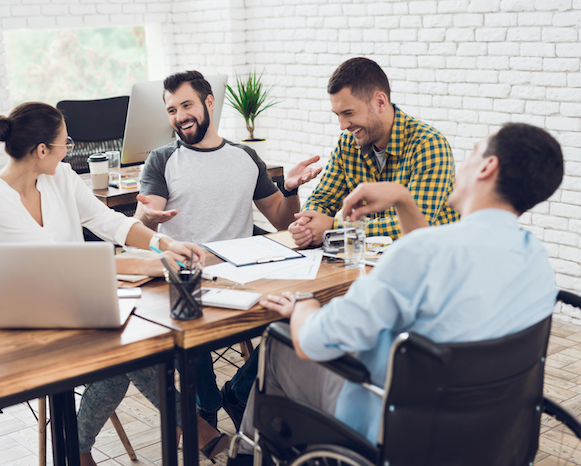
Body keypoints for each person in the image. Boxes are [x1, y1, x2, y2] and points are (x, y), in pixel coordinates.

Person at [231, 122, 564, 462]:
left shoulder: (422, 254)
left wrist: (303, 305)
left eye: (473, 153)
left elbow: (315, 339)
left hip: (392, 430)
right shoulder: (535, 258)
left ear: (487, 167)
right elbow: (431, 257)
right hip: (485, 435)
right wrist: (404, 199)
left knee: (281, 339)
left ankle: (245, 455)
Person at [0, 102, 228, 466]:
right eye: (66, 143)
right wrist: (152, 265)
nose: (68, 150)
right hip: (29, 317)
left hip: (80, 299)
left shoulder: (58, 176)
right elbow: (57, 265)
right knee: (130, 350)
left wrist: (166, 243)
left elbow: (108, 222)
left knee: (131, 349)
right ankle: (198, 430)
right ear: (42, 150)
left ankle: (78, 448)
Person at [134, 70, 322, 426]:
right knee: (187, 324)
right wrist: (147, 216)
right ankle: (206, 407)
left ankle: (237, 391)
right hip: (190, 278)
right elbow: (147, 217)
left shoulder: (245, 157)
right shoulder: (161, 159)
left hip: (242, 275)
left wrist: (291, 188)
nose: (179, 116)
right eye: (171, 110)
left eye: (186, 105)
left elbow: (282, 221)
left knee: (293, 314)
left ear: (208, 103)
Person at [288, 57, 460, 248]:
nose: (343, 126)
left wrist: (333, 226)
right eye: (338, 115)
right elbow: (323, 199)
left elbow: (418, 223)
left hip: (432, 261)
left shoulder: (429, 145)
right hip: (372, 262)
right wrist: (307, 223)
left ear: (380, 102)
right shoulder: (348, 144)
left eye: (349, 113)